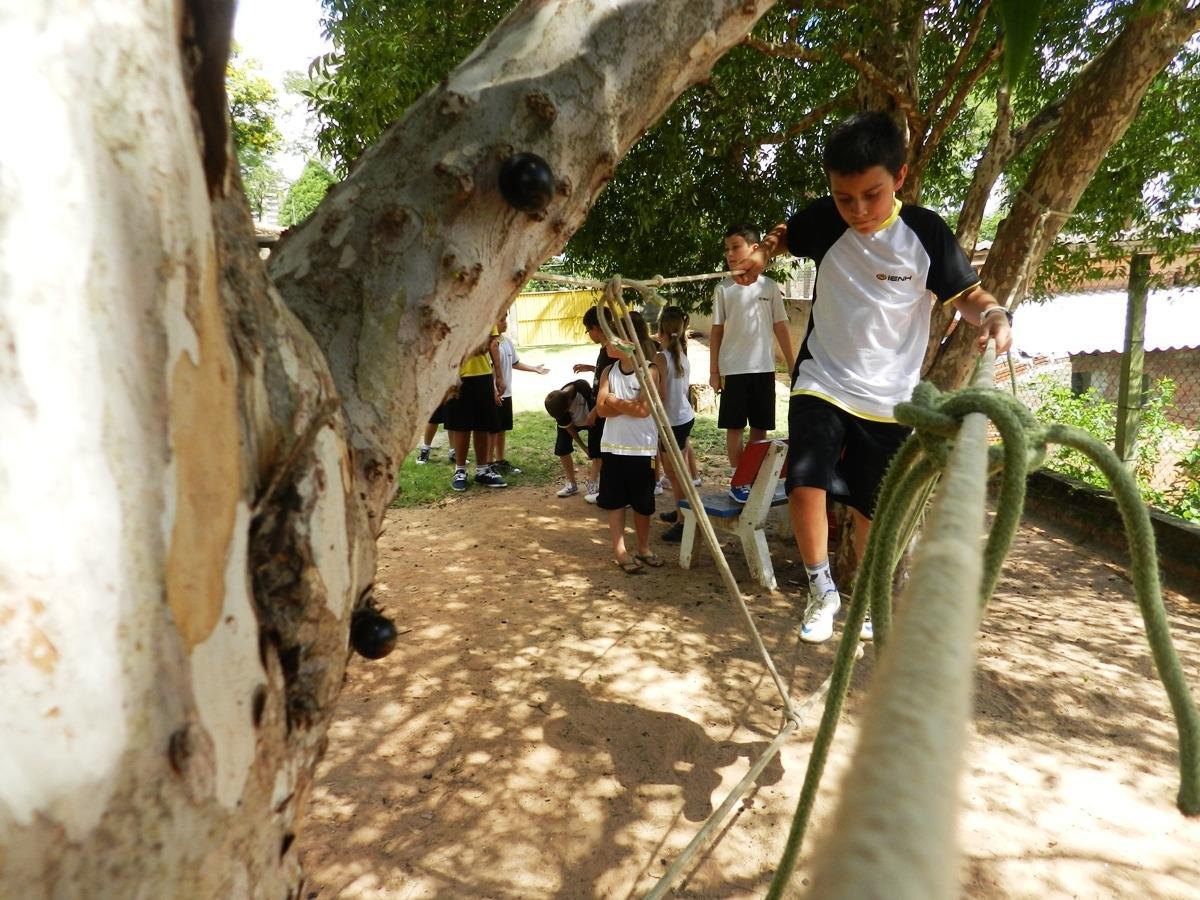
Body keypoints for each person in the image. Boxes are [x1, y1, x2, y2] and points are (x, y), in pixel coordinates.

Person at [734, 111, 1012, 644]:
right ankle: (821, 589)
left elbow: (968, 296)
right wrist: (762, 254)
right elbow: (785, 234)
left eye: (872, 195)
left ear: (899, 177)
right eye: (844, 198)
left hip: (890, 398)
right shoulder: (827, 220)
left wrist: (995, 314)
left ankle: (864, 594)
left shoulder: (925, 233)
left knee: (872, 511)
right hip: (823, 378)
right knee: (805, 483)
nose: (858, 210)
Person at [709, 224, 795, 504]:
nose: (729, 254)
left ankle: (753, 475)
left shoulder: (769, 287)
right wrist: (714, 371)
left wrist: (792, 363)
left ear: (755, 249)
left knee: (760, 427)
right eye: (727, 249)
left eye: (735, 247)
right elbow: (716, 331)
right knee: (735, 427)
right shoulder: (723, 289)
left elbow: (780, 326)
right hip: (733, 369)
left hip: (764, 369)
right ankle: (739, 479)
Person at [596, 310, 666, 573]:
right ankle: (620, 551)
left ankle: (644, 548)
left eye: (610, 337)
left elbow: (643, 410)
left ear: (627, 341)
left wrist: (613, 400)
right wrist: (626, 405)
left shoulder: (649, 371)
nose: (605, 343)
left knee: (642, 503)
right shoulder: (608, 371)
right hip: (613, 448)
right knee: (614, 501)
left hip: (642, 449)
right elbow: (600, 410)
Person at [652, 306, 699, 543]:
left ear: (661, 331)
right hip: (683, 418)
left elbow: (659, 395)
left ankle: (683, 520)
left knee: (675, 473)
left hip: (671, 422)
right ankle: (681, 510)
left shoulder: (661, 357)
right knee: (676, 472)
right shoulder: (681, 352)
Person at [444, 329, 507, 491]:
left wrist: (499, 376)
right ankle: (460, 471)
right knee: (461, 425)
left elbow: (492, 343)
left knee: (482, 424)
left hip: (483, 374)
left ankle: (482, 470)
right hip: (455, 375)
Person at [571, 305, 619, 503]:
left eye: (588, 330)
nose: (589, 334)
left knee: (602, 451)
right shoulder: (606, 349)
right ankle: (598, 487)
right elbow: (605, 372)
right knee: (599, 450)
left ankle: (602, 489)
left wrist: (595, 412)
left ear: (596, 328)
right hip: (599, 407)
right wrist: (592, 368)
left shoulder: (612, 350)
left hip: (603, 410)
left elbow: (613, 383)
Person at [491, 313, 549, 475]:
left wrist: (534, 369)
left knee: (502, 429)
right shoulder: (489, 344)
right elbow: (487, 371)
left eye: (505, 319)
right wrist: (493, 391)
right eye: (501, 319)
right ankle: (488, 465)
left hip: (506, 393)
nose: (505, 323)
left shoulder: (507, 342)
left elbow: (515, 363)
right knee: (491, 430)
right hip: (493, 394)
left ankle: (499, 461)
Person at [544, 380, 594, 497]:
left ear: (569, 401)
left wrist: (591, 447)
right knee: (562, 448)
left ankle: (598, 483)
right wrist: (584, 448)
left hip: (592, 420)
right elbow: (569, 427)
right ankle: (572, 484)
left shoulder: (583, 388)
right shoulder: (558, 405)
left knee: (597, 450)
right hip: (573, 424)